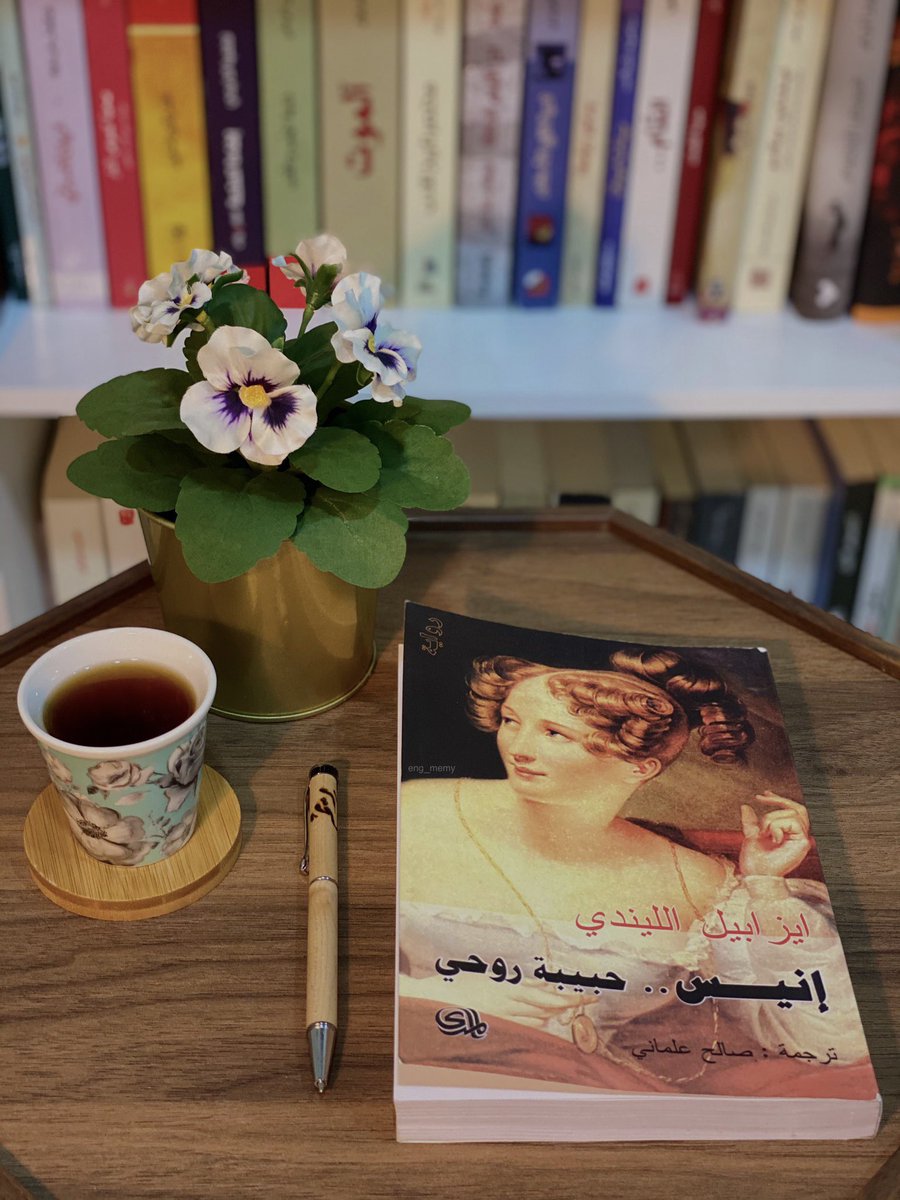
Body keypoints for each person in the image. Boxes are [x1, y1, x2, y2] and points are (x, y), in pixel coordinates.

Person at [398, 648, 872, 1094]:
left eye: (555, 734)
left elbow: (831, 1039)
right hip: (426, 1063)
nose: (518, 747)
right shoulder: (420, 811)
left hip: (587, 1094)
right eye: (510, 720)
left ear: (639, 768)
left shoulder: (700, 886)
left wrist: (766, 887)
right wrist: (433, 994)